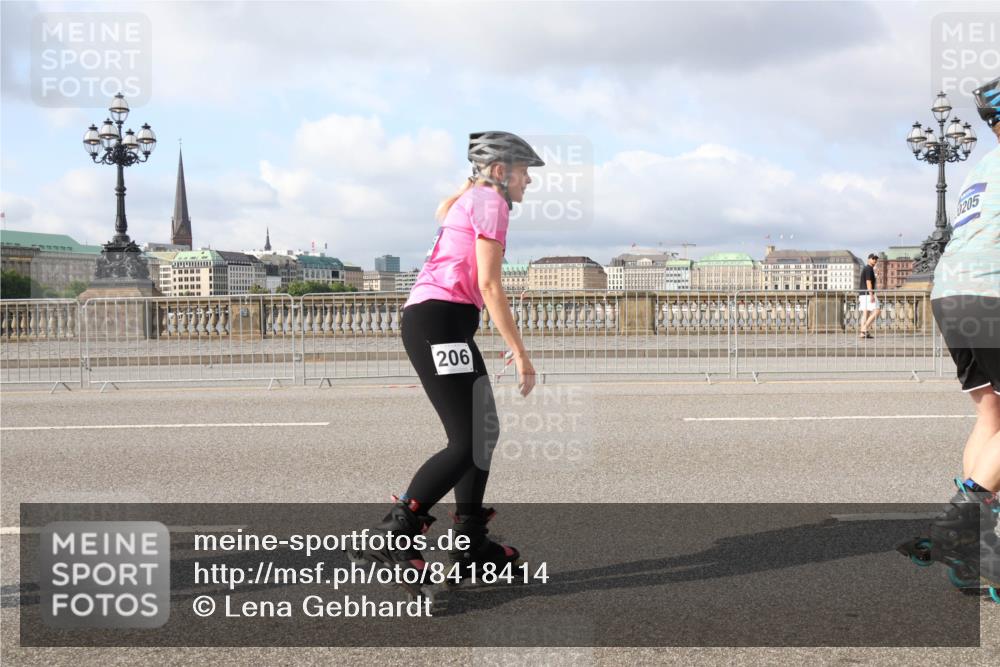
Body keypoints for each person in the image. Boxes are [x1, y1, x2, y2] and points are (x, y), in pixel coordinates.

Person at [349, 131, 543, 597]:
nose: (529, 182)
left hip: (444, 323)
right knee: (468, 438)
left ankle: (471, 541)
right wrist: (520, 351)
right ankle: (395, 534)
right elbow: (491, 285)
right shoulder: (490, 202)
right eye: (524, 172)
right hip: (439, 323)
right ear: (500, 171)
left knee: (483, 431)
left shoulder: (474, 198)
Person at [899, 77, 1000, 597]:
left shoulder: (981, 168)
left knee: (991, 415)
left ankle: (974, 547)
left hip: (950, 293)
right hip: (992, 294)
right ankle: (963, 530)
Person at [858, 253, 880, 339]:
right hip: (867, 294)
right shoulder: (868, 268)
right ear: (868, 259)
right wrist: (871, 294)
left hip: (862, 294)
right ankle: (864, 328)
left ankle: (863, 333)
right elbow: (868, 282)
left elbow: (869, 280)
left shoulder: (868, 269)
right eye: (873, 258)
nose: (875, 260)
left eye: (876, 259)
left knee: (866, 313)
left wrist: (876, 275)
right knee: (877, 311)